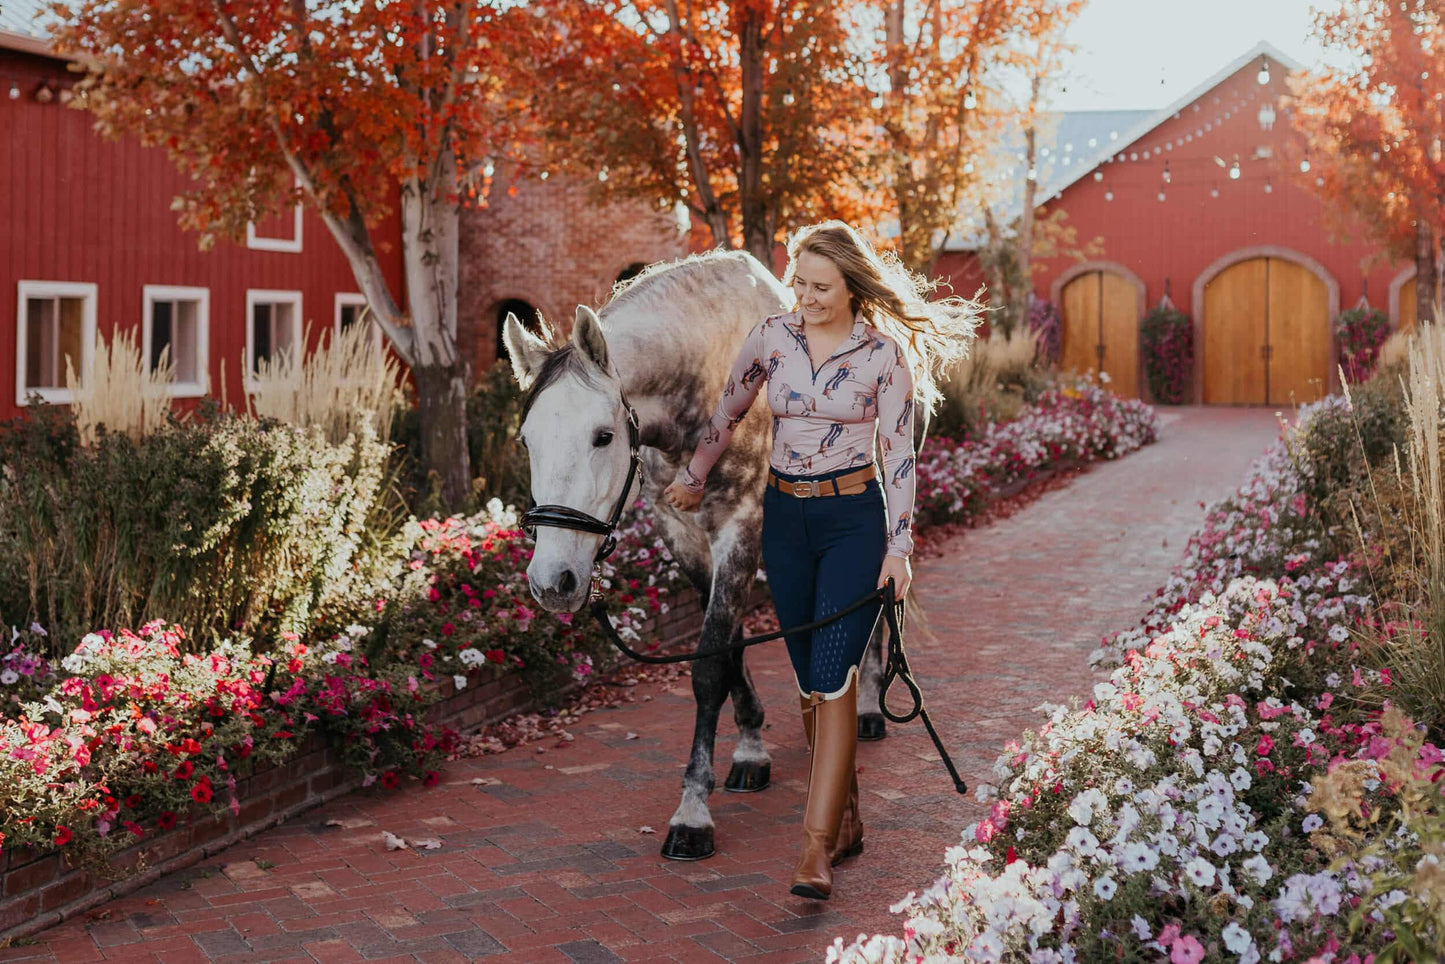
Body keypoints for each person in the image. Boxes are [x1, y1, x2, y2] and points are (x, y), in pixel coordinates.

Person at [661, 221, 979, 900]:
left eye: (820, 287)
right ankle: (848, 817)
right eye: (798, 282)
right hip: (787, 522)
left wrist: (899, 550)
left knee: (834, 678)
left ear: (852, 287)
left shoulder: (883, 357)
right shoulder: (771, 338)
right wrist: (693, 473)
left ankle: (815, 849)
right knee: (810, 681)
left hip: (852, 521)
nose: (805, 296)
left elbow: (899, 457)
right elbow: (727, 411)